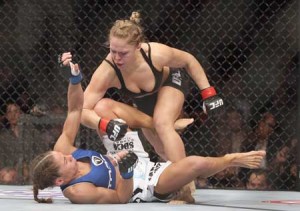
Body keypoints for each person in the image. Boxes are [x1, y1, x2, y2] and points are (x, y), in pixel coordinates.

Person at [31, 60, 266, 204]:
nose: (68, 154)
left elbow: (74, 111)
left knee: (102, 107)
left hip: (124, 156)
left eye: (63, 154)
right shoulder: (78, 191)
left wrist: (74, 81)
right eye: (65, 160)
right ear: (61, 179)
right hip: (141, 182)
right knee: (193, 164)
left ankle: (161, 124)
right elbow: (120, 199)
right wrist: (126, 172)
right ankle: (231, 160)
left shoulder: (63, 151)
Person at [75, 11, 224, 163]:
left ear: (138, 46)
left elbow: (189, 60)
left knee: (162, 124)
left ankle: (184, 182)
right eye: (113, 51)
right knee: (160, 148)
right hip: (143, 101)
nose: (117, 58)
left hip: (169, 83)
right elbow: (81, 111)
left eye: (123, 53)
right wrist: (104, 124)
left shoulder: (155, 54)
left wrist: (208, 92)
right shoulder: (107, 71)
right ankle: (143, 171)